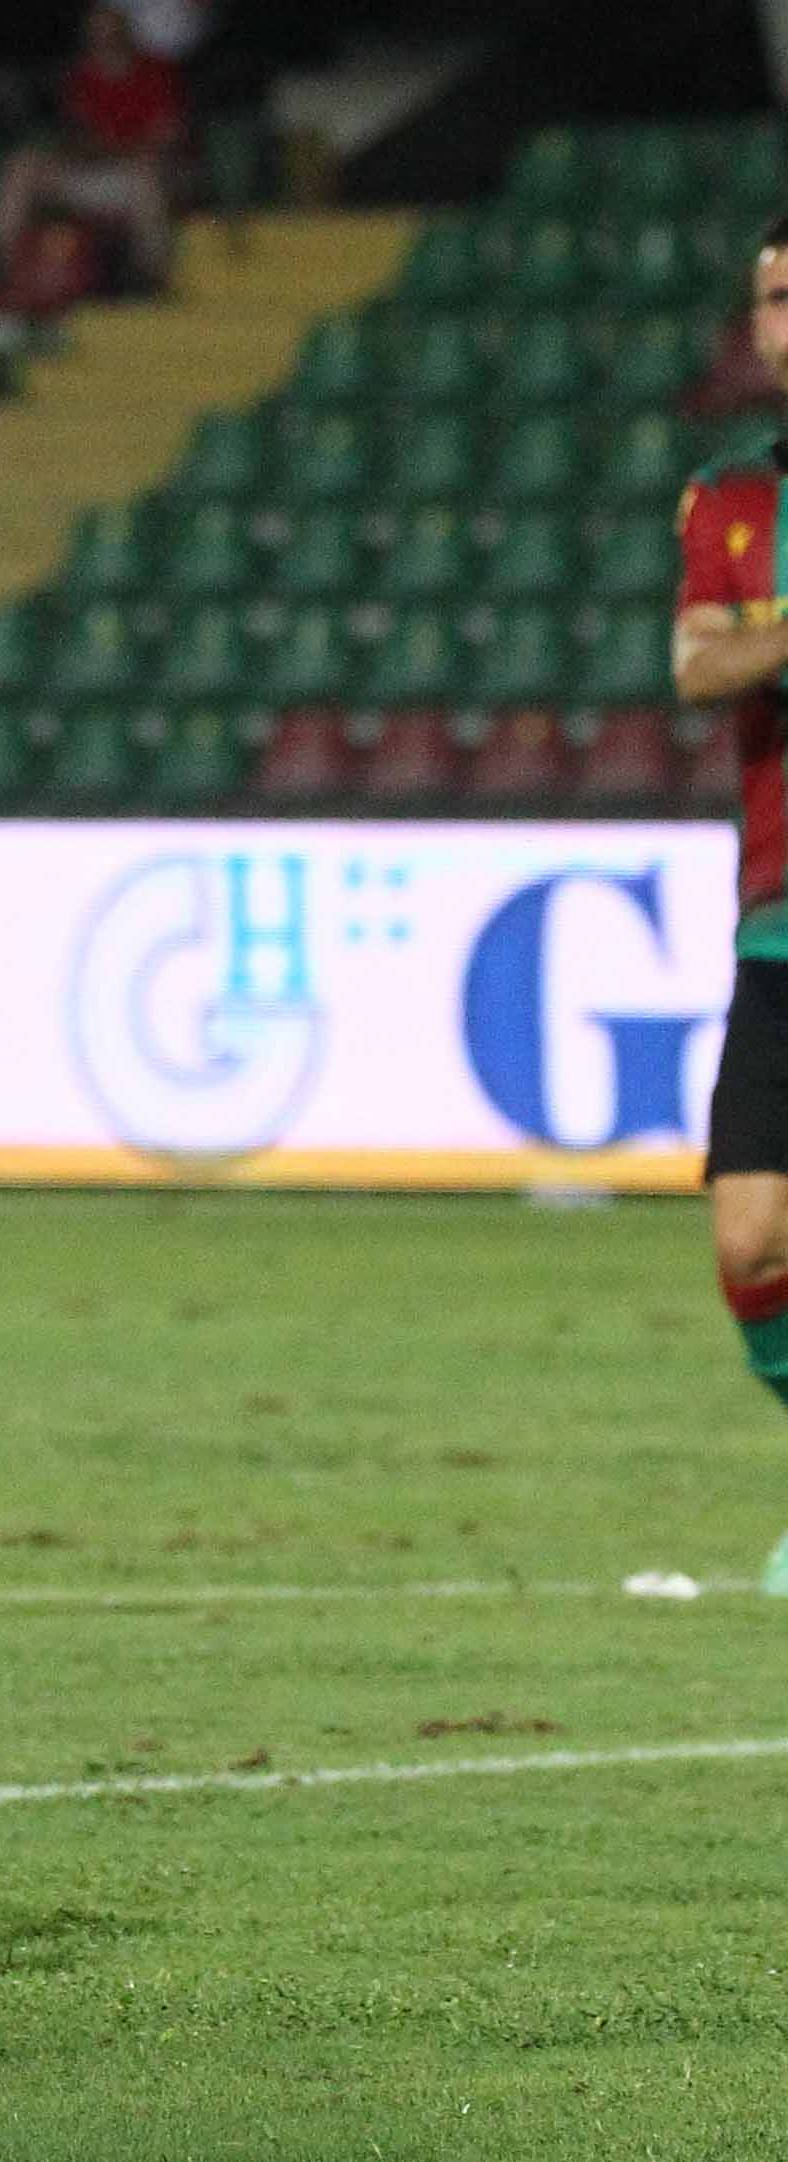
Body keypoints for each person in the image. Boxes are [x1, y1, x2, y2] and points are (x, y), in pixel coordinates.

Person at [670, 212, 788, 1598]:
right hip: (777, 916)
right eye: (772, 297)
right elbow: (697, 665)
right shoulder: (731, 497)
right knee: (751, 1238)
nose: (783, 319)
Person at [0, 3, 186, 294]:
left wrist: (114, 148)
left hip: (140, 178)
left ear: (126, 32)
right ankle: (7, 269)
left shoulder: (157, 72)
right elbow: (76, 139)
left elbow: (167, 138)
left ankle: (149, 274)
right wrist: (91, 149)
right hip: (91, 173)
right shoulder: (79, 78)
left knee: (145, 171)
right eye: (96, 32)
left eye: (110, 31)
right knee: (22, 164)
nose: (103, 39)